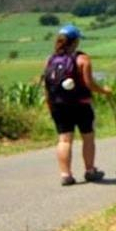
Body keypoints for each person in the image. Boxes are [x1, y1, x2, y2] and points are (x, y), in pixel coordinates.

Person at [44, 24, 112, 186]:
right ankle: (90, 171)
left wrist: (50, 104)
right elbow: (89, 84)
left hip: (58, 105)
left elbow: (47, 85)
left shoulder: (50, 60)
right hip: (81, 105)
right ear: (75, 41)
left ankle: (66, 175)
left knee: (64, 140)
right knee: (88, 137)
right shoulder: (82, 59)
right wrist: (105, 91)